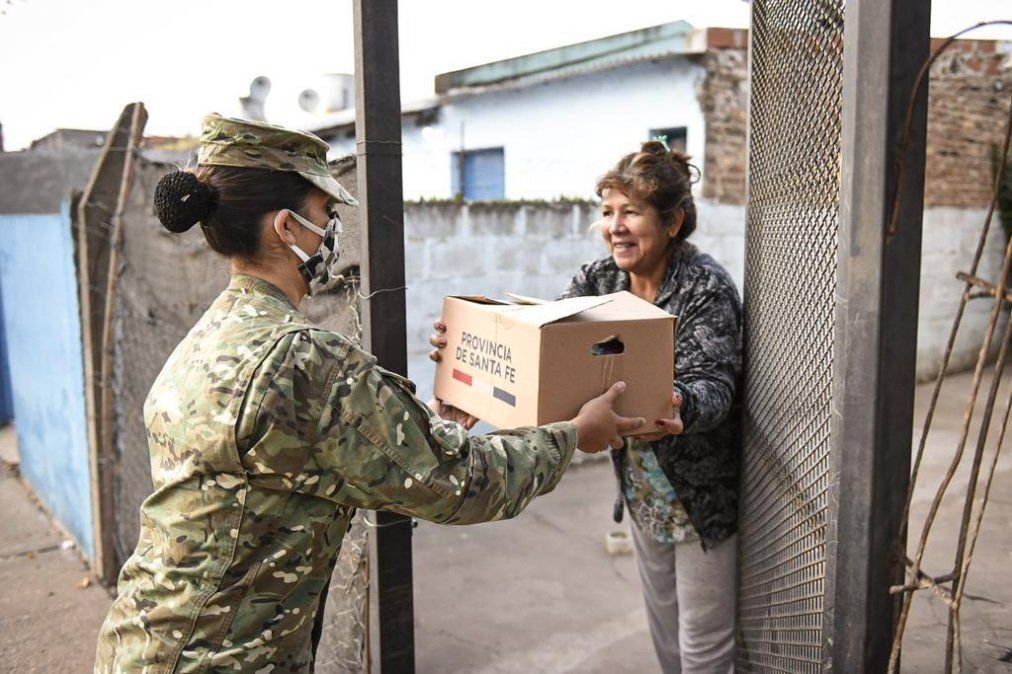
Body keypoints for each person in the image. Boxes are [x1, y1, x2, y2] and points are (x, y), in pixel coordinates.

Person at [93, 114, 644, 673]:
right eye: (325, 215)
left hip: (145, 645)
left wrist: (426, 421)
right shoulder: (302, 359)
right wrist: (575, 434)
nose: (332, 231)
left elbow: (316, 449)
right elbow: (460, 484)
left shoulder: (211, 336)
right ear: (287, 228)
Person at [431, 141, 742, 673]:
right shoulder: (599, 282)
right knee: (666, 634)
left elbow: (715, 383)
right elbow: (547, 355)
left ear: (673, 222)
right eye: (607, 212)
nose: (616, 226)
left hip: (699, 499)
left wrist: (678, 402)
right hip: (643, 493)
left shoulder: (703, 287)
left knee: (703, 646)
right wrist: (476, 376)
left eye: (632, 212)